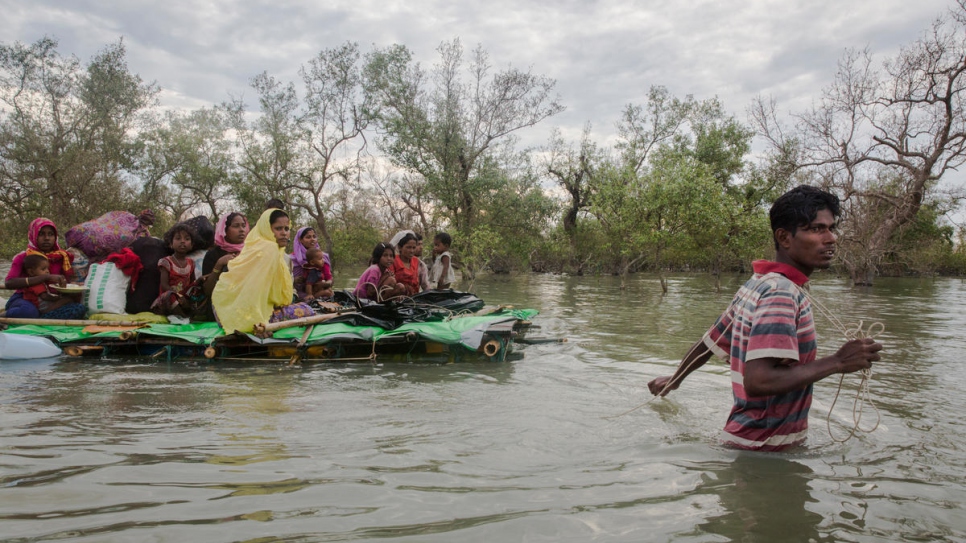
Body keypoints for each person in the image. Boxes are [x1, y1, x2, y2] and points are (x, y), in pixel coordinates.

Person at [647, 185, 883, 452]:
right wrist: (838, 362)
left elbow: (710, 340)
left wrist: (676, 378)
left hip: (748, 444)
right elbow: (759, 381)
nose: (831, 238)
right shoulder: (780, 292)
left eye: (831, 228)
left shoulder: (760, 282)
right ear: (784, 238)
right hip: (763, 452)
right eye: (816, 229)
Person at [211, 209, 314, 335]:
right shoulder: (269, 249)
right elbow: (259, 294)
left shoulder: (256, 246)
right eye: (278, 228)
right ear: (267, 229)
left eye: (286, 229)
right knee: (307, 309)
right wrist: (259, 321)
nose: (284, 233)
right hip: (241, 315)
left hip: (224, 312)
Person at [4, 218, 77, 319]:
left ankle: (43, 315)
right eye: (41, 234)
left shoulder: (62, 257)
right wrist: (46, 277)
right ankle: (6, 316)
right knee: (29, 312)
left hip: (50, 300)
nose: (46, 238)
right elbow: (9, 283)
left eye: (50, 234)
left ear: (55, 237)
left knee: (77, 309)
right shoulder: (23, 257)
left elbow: (67, 282)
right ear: (34, 236)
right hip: (25, 298)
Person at [201, 212, 249, 321]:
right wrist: (219, 264)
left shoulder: (250, 252)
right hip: (218, 311)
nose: (242, 230)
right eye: (236, 226)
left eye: (243, 225)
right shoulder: (213, 255)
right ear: (225, 230)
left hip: (245, 311)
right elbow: (207, 290)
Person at [18, 254, 87, 319]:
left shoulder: (40, 282)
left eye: (47, 269)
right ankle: (44, 317)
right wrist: (57, 298)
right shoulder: (36, 284)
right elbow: (44, 296)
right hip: (44, 312)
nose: (47, 271)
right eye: (43, 269)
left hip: (45, 308)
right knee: (70, 302)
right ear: (31, 272)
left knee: (70, 302)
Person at [151, 223, 198, 318]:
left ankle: (189, 313)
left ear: (192, 245)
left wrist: (198, 283)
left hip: (183, 299)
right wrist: (179, 297)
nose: (183, 242)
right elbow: (164, 285)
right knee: (171, 295)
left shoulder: (191, 263)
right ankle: (182, 317)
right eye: (178, 238)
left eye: (187, 239)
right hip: (168, 300)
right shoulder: (166, 262)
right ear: (170, 244)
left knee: (197, 292)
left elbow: (192, 283)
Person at [292, 227, 332, 300]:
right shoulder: (292, 259)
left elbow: (329, 278)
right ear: (300, 240)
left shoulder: (323, 257)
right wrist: (293, 280)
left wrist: (325, 284)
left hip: (321, 293)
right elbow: (284, 282)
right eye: (308, 237)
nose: (312, 239)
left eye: (314, 236)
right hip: (300, 295)